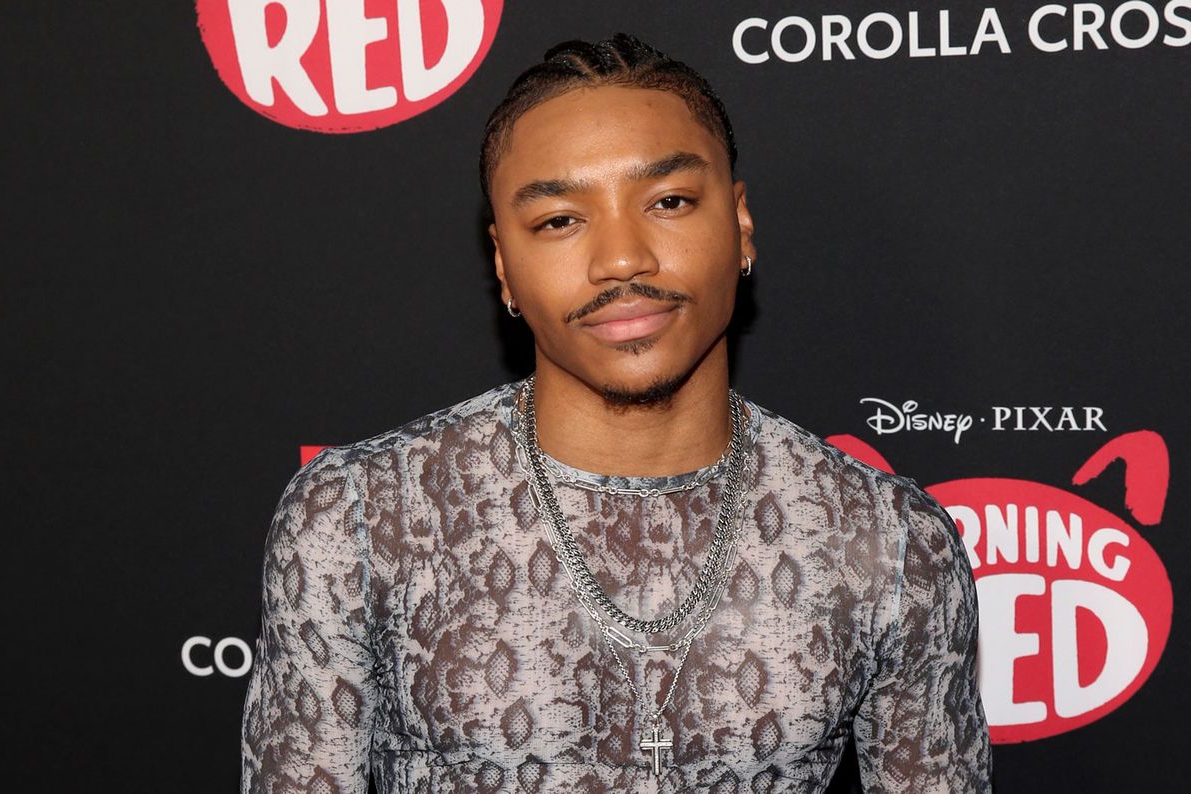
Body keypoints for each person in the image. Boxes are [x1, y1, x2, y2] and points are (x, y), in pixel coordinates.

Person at [240, 34, 991, 793]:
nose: (622, 259)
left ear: (741, 223)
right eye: (560, 220)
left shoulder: (890, 544)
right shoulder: (363, 518)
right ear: (503, 265)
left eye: (669, 202)